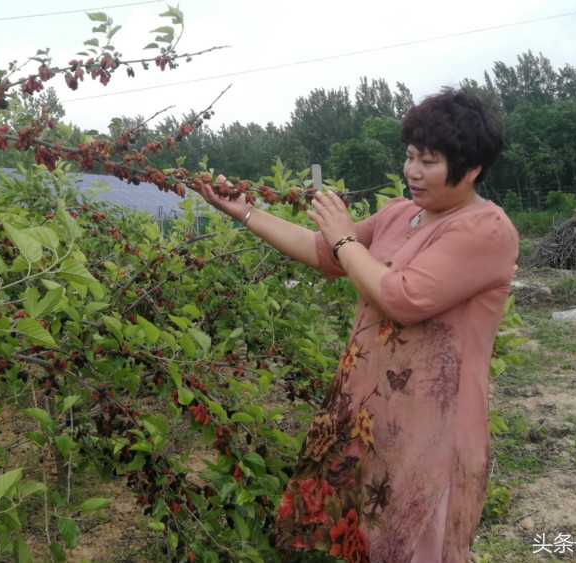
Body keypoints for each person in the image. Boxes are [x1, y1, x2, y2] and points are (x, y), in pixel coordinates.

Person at [195, 89, 518, 563]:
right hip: (374, 415)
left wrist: (345, 236)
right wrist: (244, 210)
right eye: (410, 157)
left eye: (428, 162)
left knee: (415, 543)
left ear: (471, 169)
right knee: (366, 537)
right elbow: (324, 253)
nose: (412, 172)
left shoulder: (485, 230)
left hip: (433, 428)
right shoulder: (399, 214)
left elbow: (401, 298)